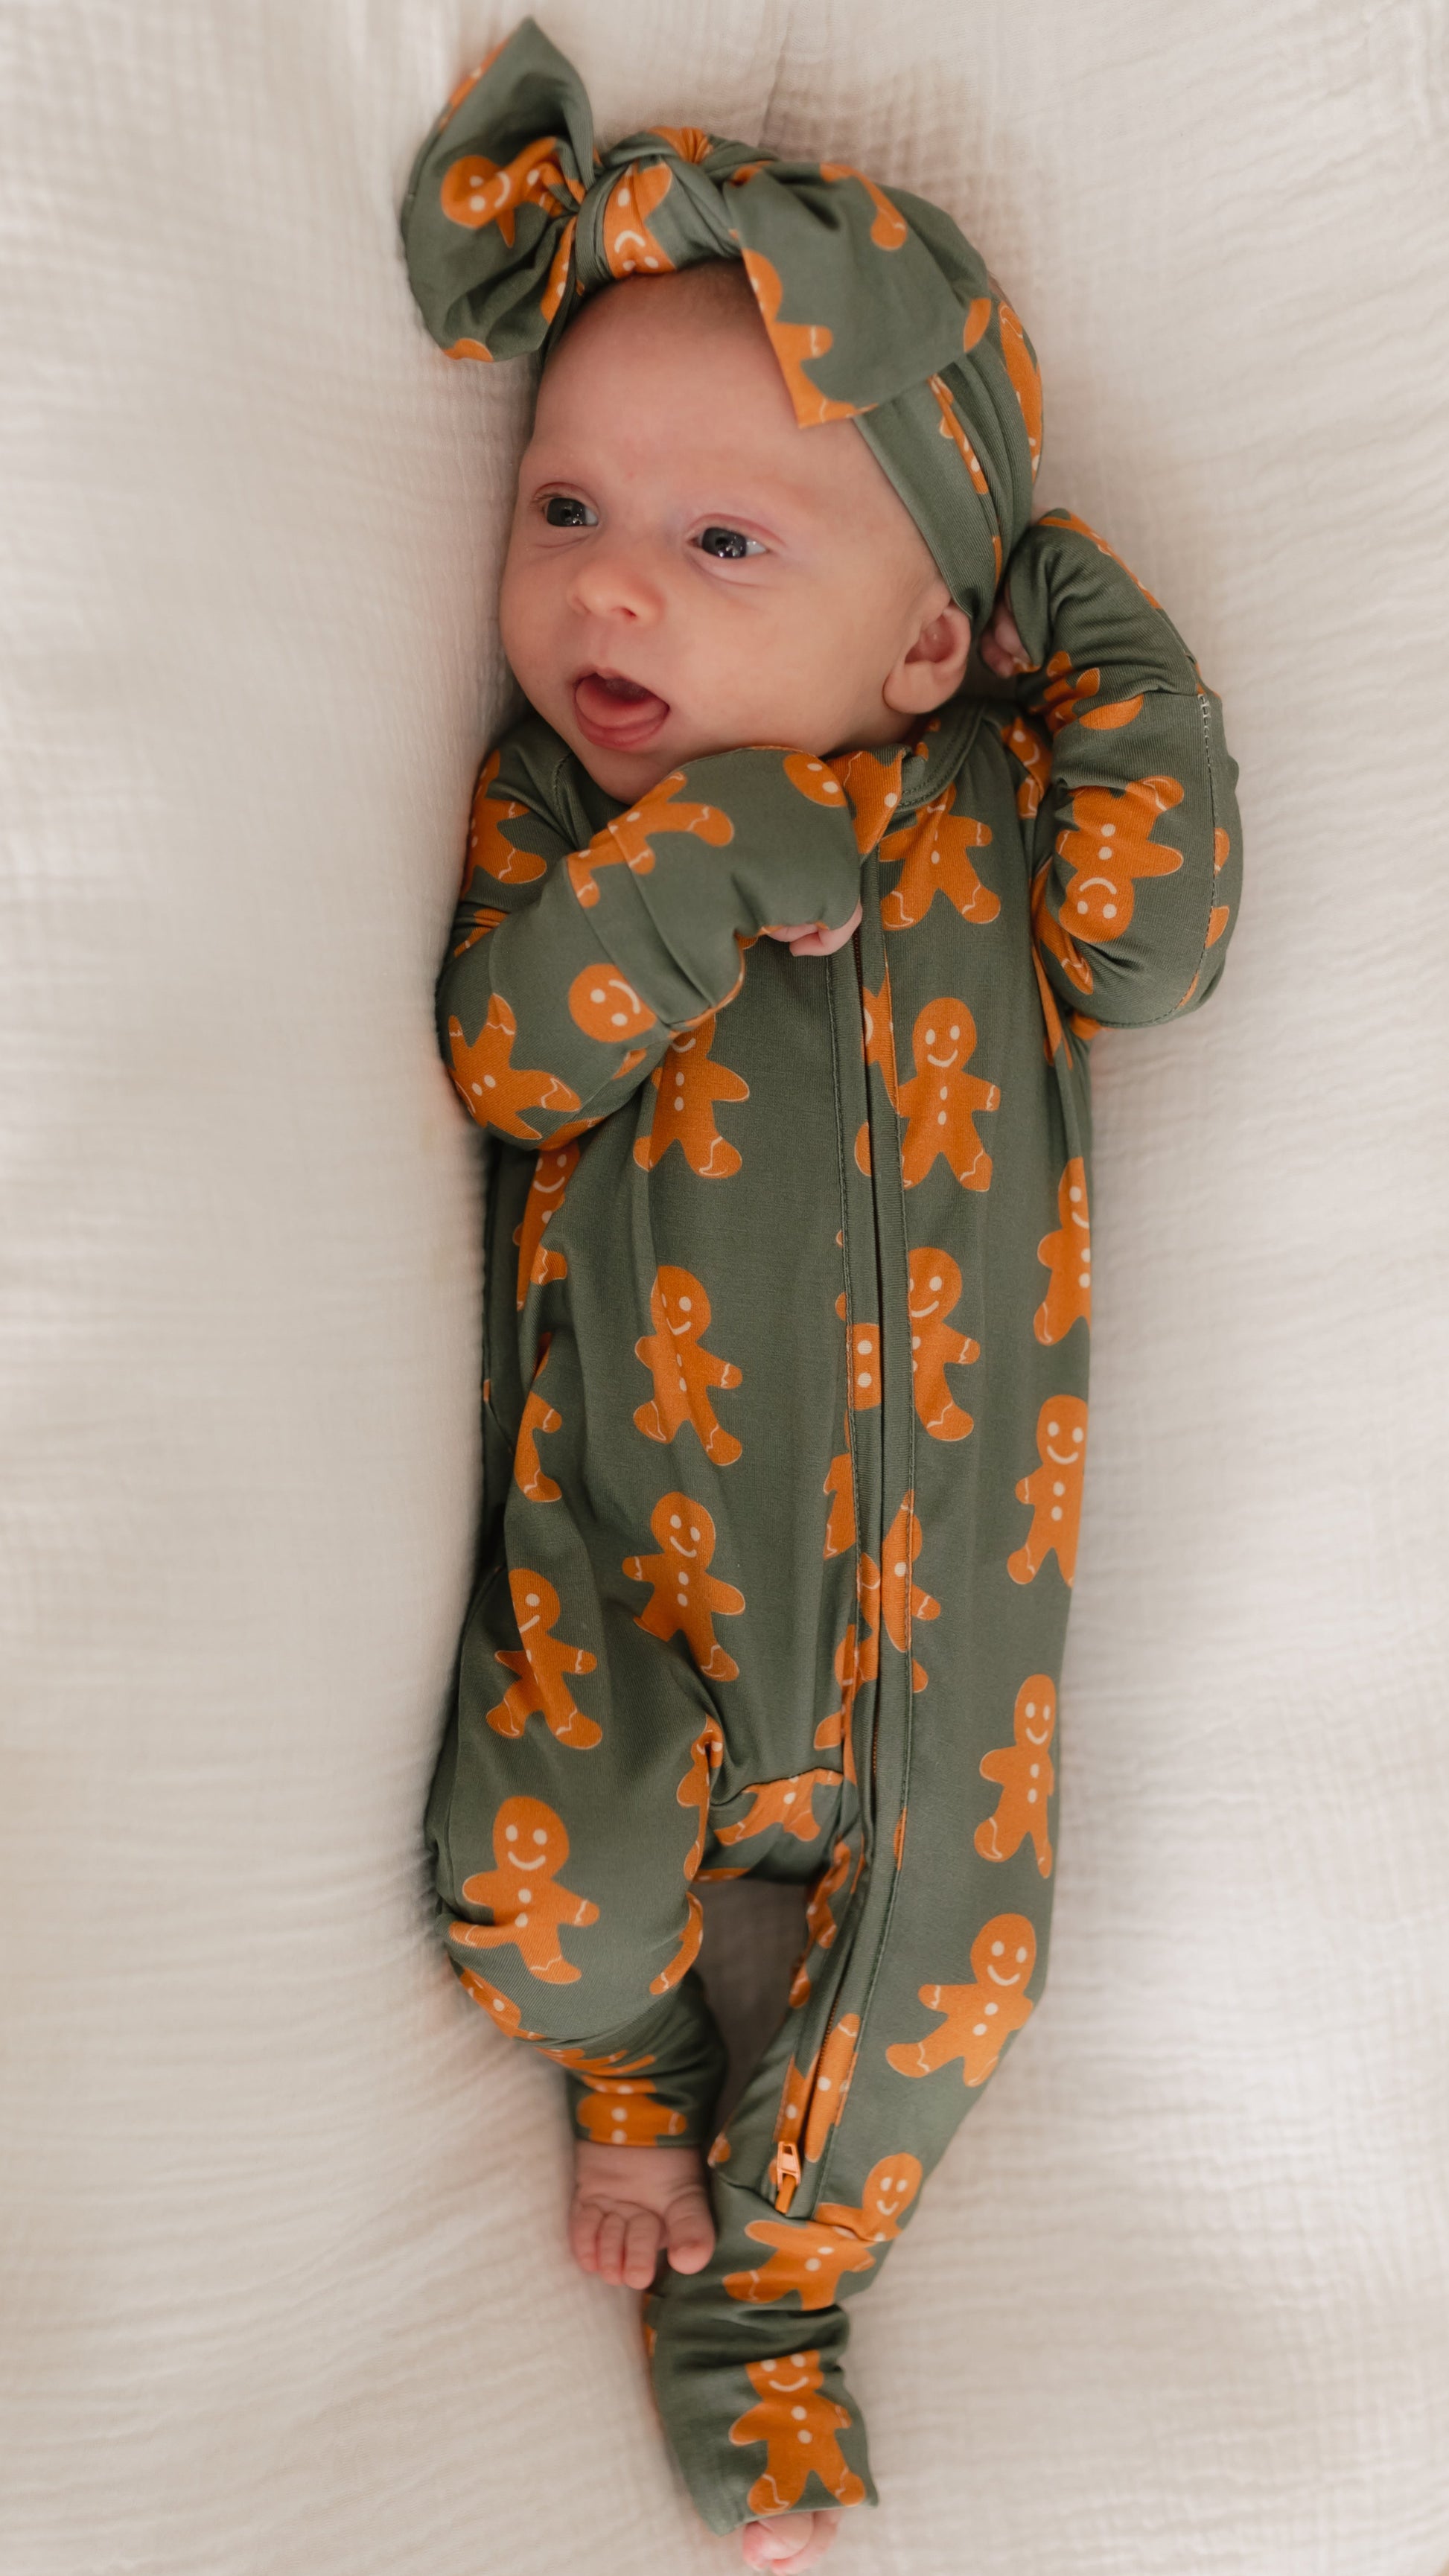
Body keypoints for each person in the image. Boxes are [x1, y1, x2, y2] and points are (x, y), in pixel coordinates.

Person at [400, 22, 1241, 2569]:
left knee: (962, 1972)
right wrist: (681, 878)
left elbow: (1165, 940)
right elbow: (504, 1057)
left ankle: (770, 2306)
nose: (608, 582)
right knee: (532, 1875)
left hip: (950, 1658)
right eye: (565, 505)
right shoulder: (571, 818)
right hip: (634, 1578)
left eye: (721, 541)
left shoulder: (994, 812)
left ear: (924, 644)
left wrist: (1084, 623)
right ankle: (636, 2069)